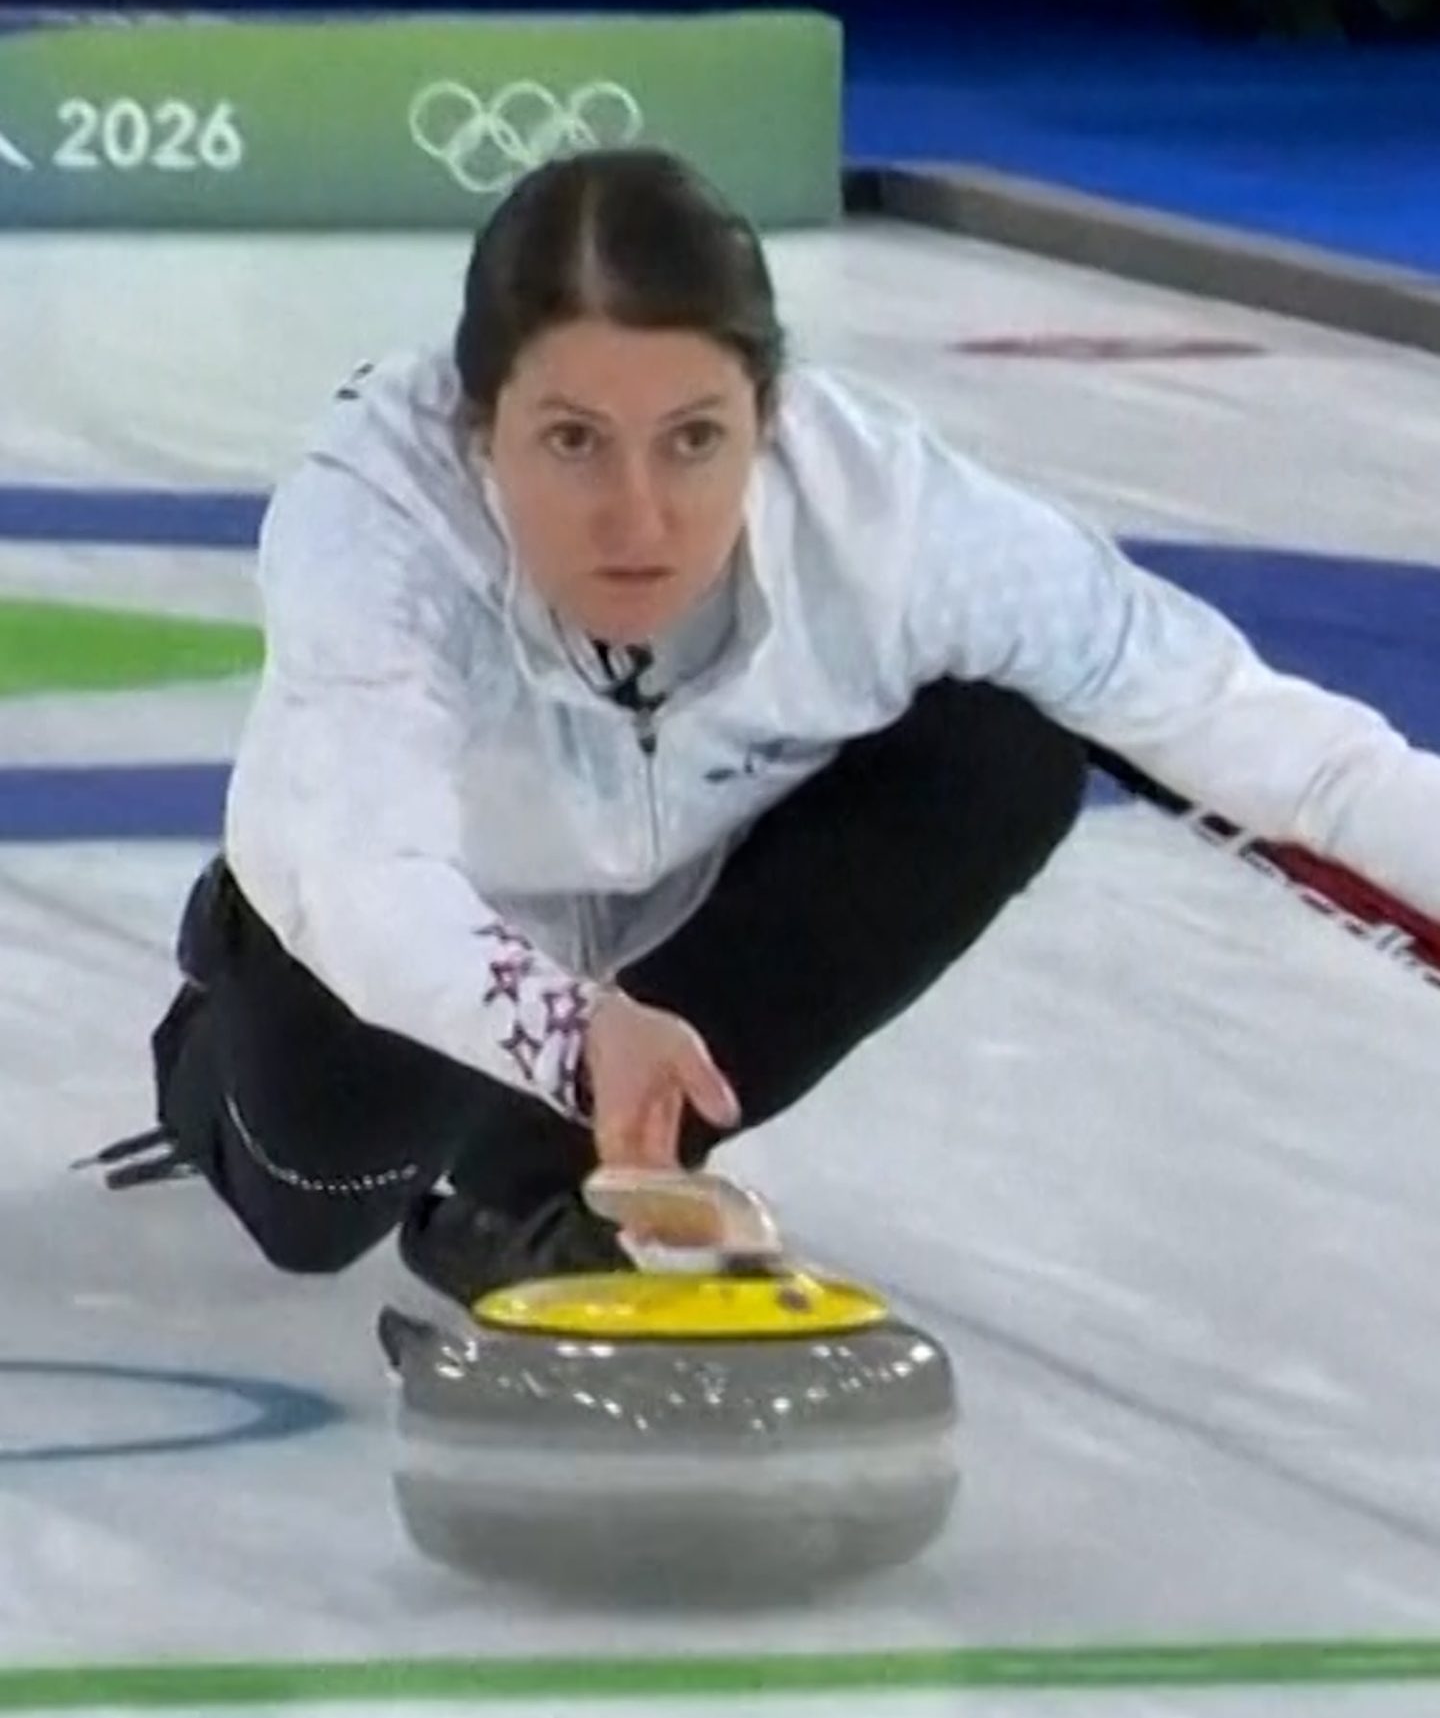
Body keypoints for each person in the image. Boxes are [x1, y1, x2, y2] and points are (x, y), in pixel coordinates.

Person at [93, 146, 1440, 1307]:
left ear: (770, 416)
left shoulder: (894, 522)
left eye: (694, 441)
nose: (639, 515)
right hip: (419, 900)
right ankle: (220, 1012)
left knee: (1007, 748)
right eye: (572, 442)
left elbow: (1259, 739)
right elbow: (367, 882)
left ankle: (542, 1189)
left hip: (682, 892)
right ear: (480, 425)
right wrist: (566, 1031)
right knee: (316, 1205)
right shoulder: (374, 523)